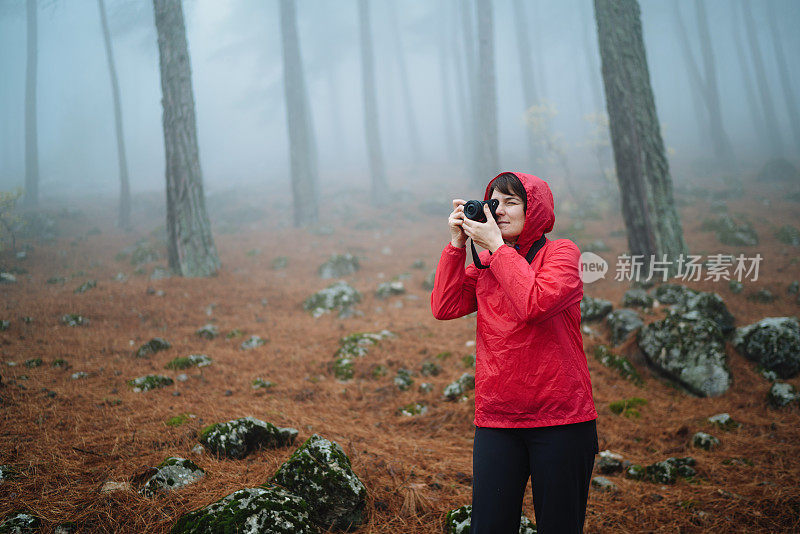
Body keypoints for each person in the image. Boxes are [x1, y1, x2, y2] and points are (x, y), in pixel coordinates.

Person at [431, 172, 598, 533]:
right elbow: (444, 306)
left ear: (534, 209)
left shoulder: (562, 254)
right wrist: (456, 246)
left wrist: (499, 249)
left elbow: (534, 304)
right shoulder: (488, 264)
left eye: (511, 202)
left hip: (561, 420)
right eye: (495, 202)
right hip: (498, 421)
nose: (501, 210)